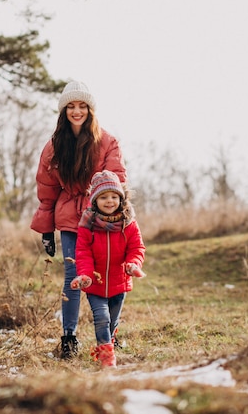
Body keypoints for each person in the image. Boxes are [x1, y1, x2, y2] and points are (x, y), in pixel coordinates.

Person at [30, 81, 127, 360]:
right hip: (71, 220)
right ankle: (69, 338)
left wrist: (119, 216)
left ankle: (111, 333)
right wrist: (46, 230)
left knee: (110, 276)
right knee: (74, 277)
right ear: (64, 111)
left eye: (82, 106)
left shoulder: (107, 142)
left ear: (90, 110)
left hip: (103, 218)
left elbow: (116, 182)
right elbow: (47, 190)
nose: (76, 111)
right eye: (71, 106)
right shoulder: (54, 147)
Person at [70, 170, 146, 368]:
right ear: (95, 201)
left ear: (121, 198)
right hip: (96, 284)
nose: (109, 201)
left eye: (114, 196)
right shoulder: (88, 225)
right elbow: (83, 252)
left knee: (112, 321)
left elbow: (137, 247)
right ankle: (106, 356)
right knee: (102, 319)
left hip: (119, 282)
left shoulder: (129, 224)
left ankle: (110, 339)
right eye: (103, 197)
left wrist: (133, 264)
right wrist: (85, 275)